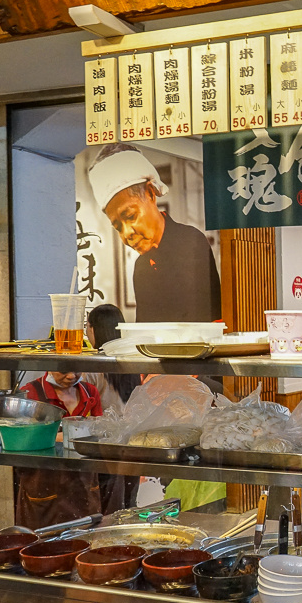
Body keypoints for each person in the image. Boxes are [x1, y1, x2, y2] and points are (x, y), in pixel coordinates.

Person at [88, 143, 222, 323]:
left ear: (151, 194)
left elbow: (200, 322)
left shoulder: (189, 242)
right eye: (118, 227)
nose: (127, 233)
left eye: (130, 216)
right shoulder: (142, 267)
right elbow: (144, 328)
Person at [16, 371, 104, 528]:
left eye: (76, 370)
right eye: (63, 370)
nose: (71, 376)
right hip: (43, 486)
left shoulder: (90, 392)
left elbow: (99, 432)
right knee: (44, 542)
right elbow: (22, 439)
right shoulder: (31, 393)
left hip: (84, 484)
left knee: (85, 538)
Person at [85, 303, 143, 512]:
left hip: (105, 446)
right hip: (131, 443)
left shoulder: (93, 366)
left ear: (93, 329)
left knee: (105, 508)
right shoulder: (131, 359)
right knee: (128, 505)